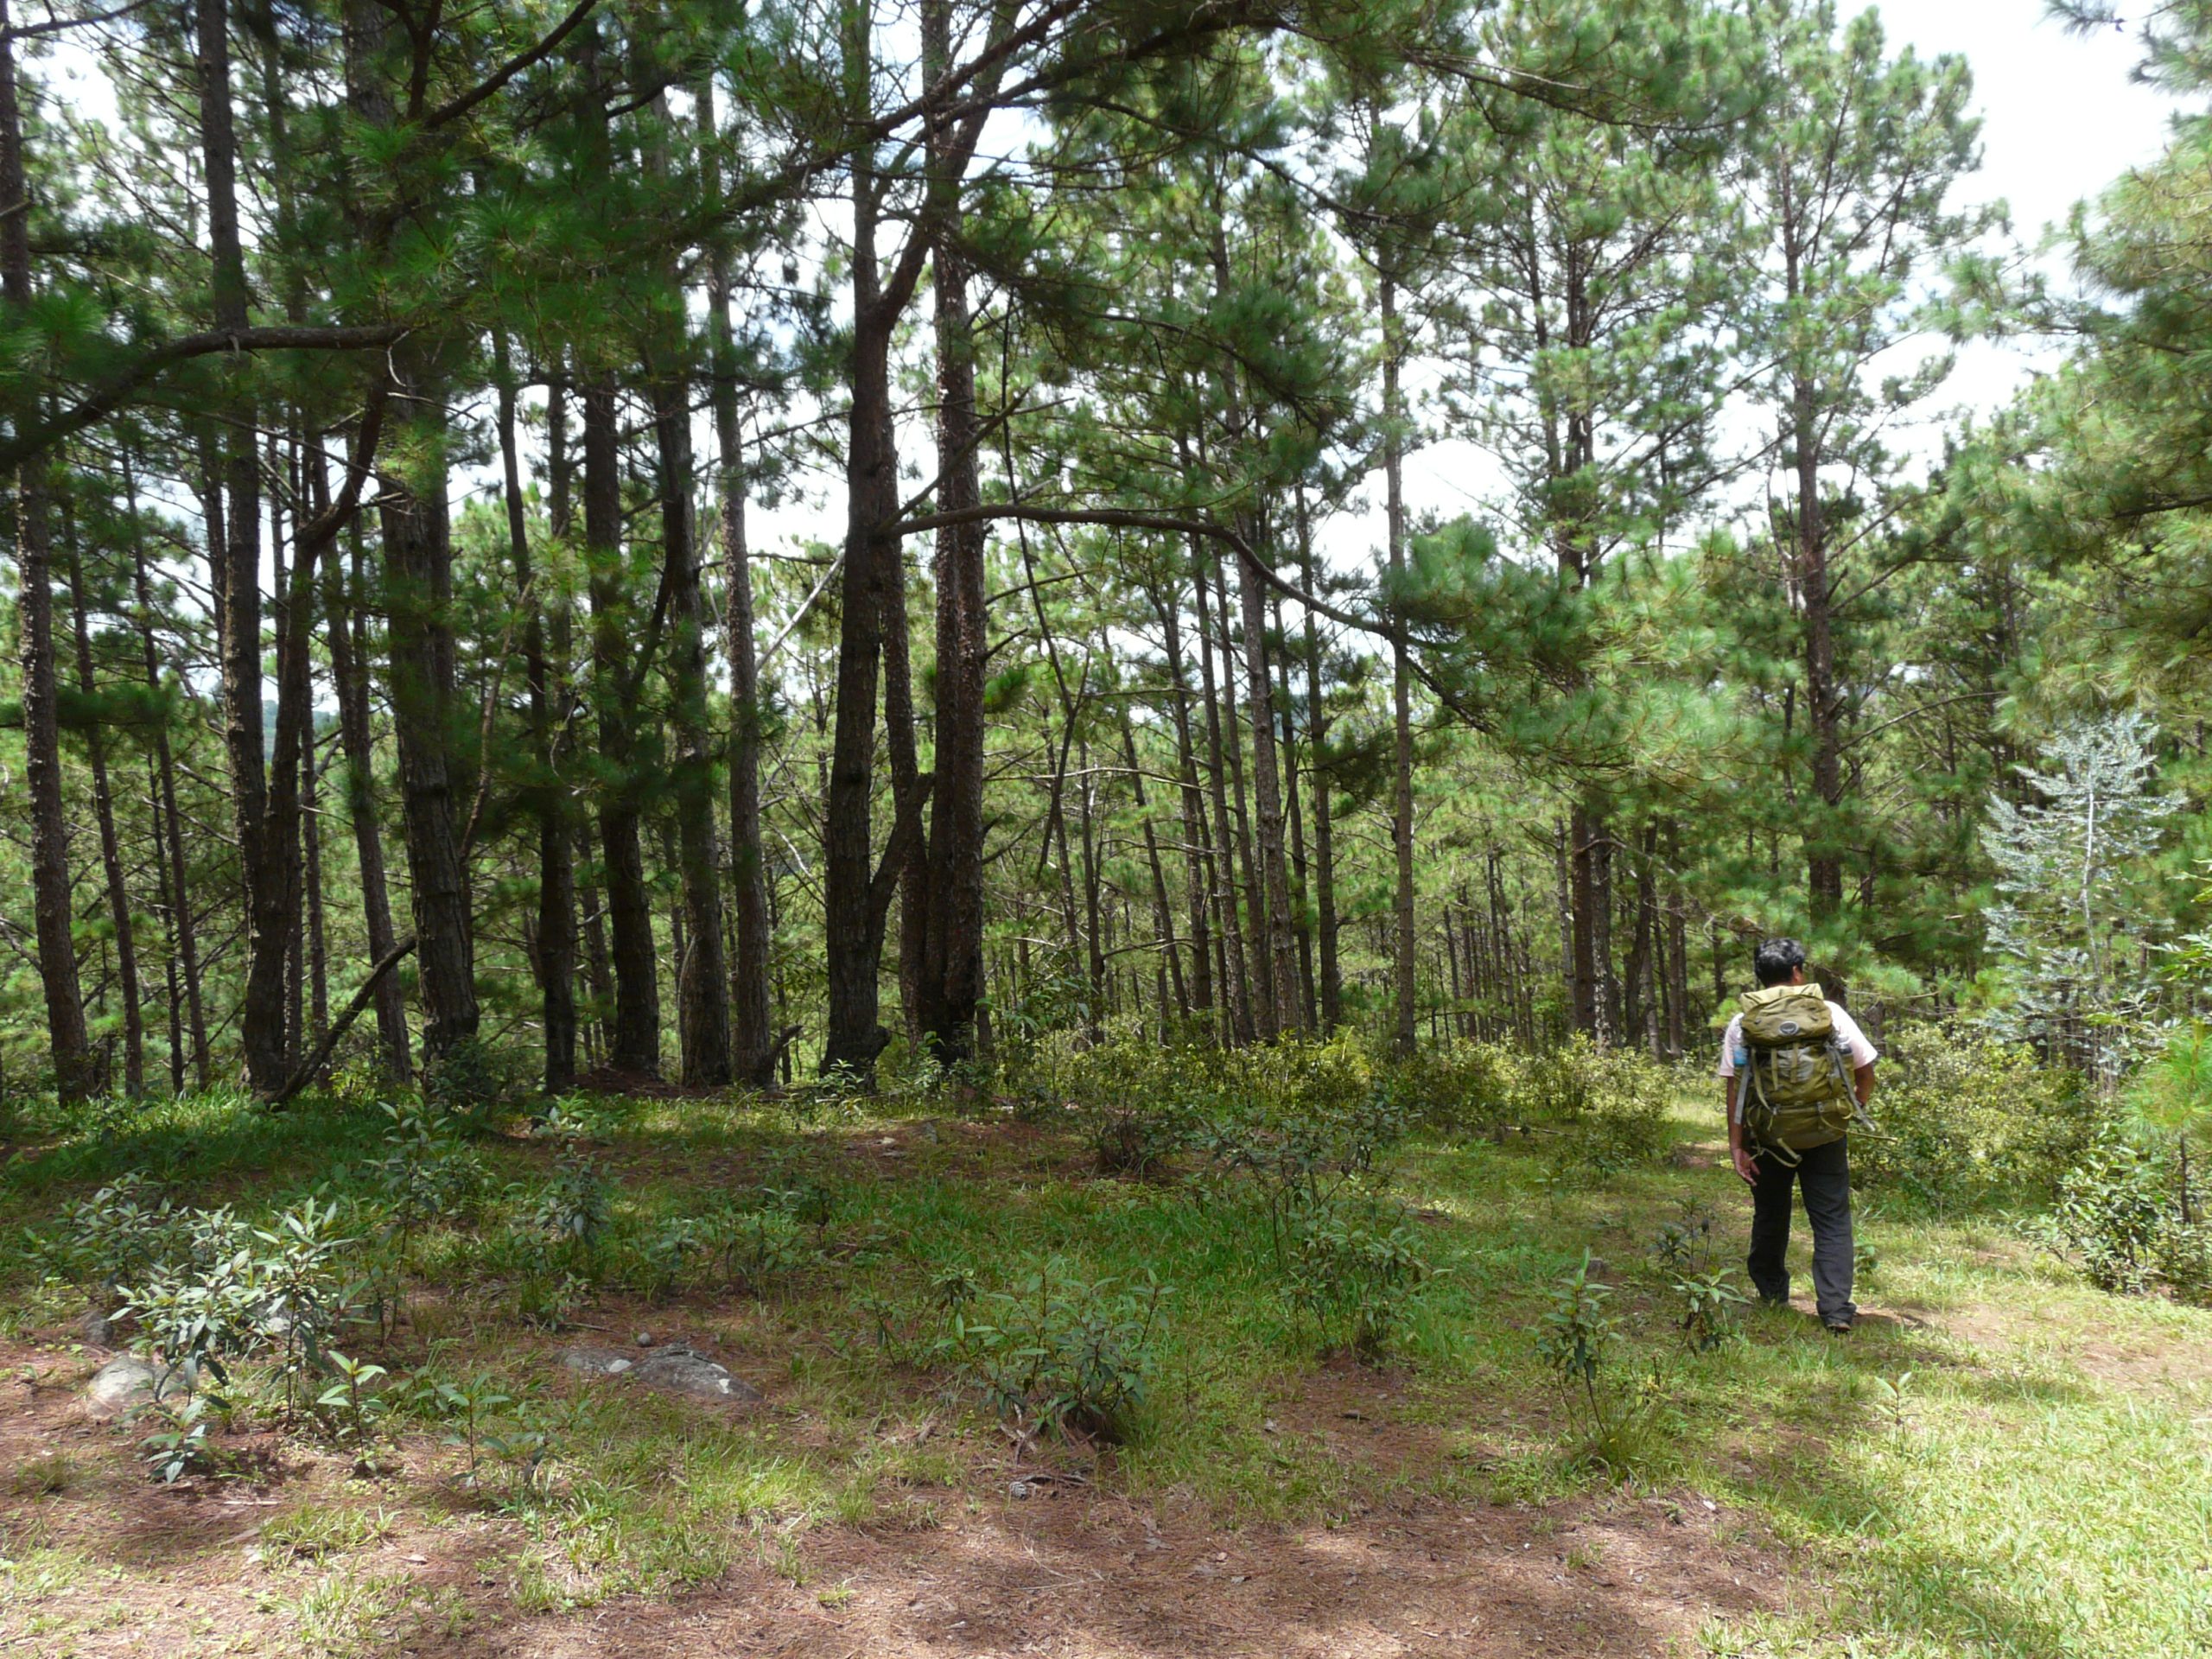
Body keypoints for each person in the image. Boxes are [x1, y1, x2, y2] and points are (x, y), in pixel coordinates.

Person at [1717, 938, 1878, 1332]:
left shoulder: (1742, 1024)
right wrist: (1849, 1109)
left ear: (1759, 977)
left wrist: (1737, 1145)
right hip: (1825, 1131)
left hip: (1768, 1134)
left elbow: (1735, 1088)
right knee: (1832, 1219)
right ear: (1797, 972)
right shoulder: (1830, 1013)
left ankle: (1772, 1294)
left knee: (1771, 1213)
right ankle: (1837, 1309)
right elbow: (1866, 1068)